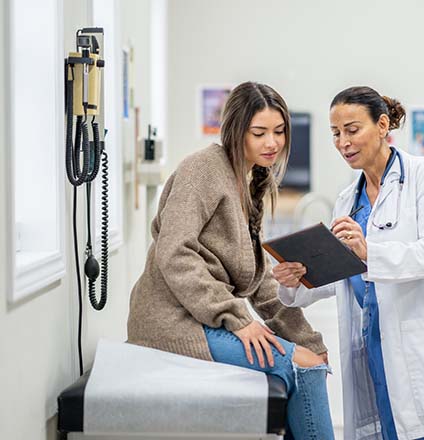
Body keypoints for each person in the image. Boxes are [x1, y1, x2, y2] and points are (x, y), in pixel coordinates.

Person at [273, 86, 424, 440]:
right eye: (335, 133)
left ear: (381, 125)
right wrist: (296, 279)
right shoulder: (348, 201)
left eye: (351, 129)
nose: (342, 141)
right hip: (379, 354)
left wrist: (368, 251)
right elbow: (343, 276)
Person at [127, 81, 335, 440]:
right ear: (236, 131)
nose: (272, 142)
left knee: (311, 360)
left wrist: (307, 338)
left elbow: (262, 285)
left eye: (279, 131)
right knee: (303, 369)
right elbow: (174, 252)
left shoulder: (249, 180)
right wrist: (236, 319)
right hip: (171, 323)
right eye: (260, 133)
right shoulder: (203, 170)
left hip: (204, 317)